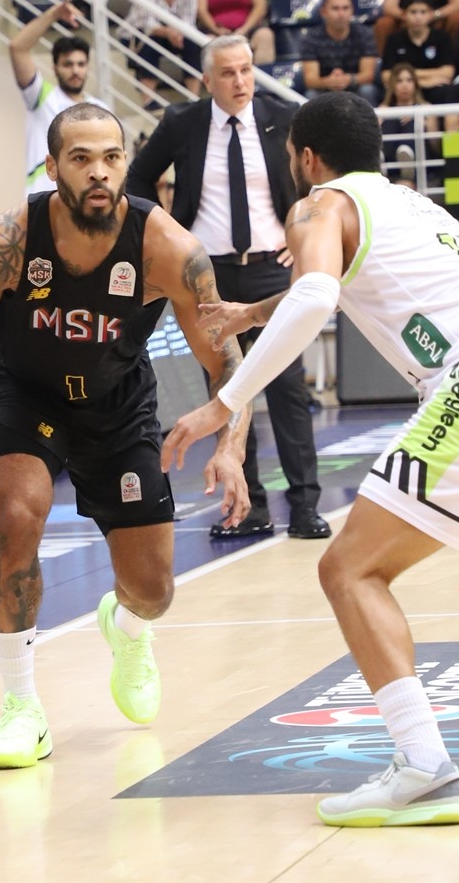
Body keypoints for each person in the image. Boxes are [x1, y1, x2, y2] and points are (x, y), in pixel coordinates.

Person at [161, 91, 459, 828]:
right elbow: (327, 286)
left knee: (348, 570)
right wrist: (250, 312)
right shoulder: (410, 203)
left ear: (307, 158)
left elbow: (315, 296)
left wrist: (224, 402)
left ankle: (422, 767)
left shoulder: (318, 204)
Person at [0, 101, 252, 770]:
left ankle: (126, 628)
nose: (99, 171)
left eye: (111, 157)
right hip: (26, 394)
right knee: (19, 514)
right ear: (52, 168)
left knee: (153, 591)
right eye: (81, 159)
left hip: (117, 405)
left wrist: (230, 447)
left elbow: (228, 363)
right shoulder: (7, 240)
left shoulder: (168, 248)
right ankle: (21, 707)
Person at [128, 35, 330, 540]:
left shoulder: (283, 117)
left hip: (271, 266)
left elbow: (319, 183)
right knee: (228, 386)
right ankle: (249, 506)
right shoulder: (183, 123)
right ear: (206, 80)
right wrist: (170, 234)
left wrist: (303, 236)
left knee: (287, 387)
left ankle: (305, 506)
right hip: (210, 274)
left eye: (246, 70)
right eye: (228, 73)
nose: (240, 81)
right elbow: (138, 178)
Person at [8, 0, 109, 194]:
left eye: (81, 64)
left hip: (83, 199)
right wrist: (53, 15)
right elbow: (17, 48)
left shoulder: (100, 109)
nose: (75, 71)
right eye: (68, 64)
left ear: (88, 67)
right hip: (43, 198)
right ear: (55, 67)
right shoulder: (40, 97)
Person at [122, 0, 203, 109]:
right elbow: (145, 22)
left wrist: (176, 32)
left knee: (192, 43)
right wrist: (167, 32)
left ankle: (193, 99)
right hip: (141, 32)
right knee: (150, 42)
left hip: (178, 33)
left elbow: (189, 20)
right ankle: (148, 99)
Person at [300, 0, 381, 105]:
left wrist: (348, 79)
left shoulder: (364, 34)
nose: (341, 14)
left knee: (368, 90)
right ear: (323, 12)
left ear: (352, 10)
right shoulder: (311, 37)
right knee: (311, 94)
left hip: (355, 87)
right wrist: (329, 82)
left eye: (345, 8)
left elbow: (368, 75)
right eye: (335, 8)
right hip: (325, 89)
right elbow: (310, 80)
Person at [381, 0, 457, 100]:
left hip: (433, 88)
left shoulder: (442, 38)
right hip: (405, 90)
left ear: (430, 14)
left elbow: (448, 72)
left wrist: (407, 77)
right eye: (413, 12)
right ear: (404, 15)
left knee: (446, 90)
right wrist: (422, 82)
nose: (418, 17)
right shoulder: (394, 40)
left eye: (423, 12)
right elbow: (386, 75)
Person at [380, 63, 437, 185]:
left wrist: (419, 118)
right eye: (399, 81)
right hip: (391, 158)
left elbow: (435, 143)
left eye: (409, 80)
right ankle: (382, 158)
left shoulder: (426, 108)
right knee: (390, 119)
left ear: (415, 84)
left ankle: (407, 156)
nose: (404, 85)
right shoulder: (383, 109)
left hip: (419, 160)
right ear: (393, 85)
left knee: (414, 122)